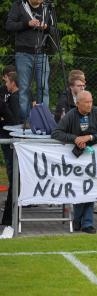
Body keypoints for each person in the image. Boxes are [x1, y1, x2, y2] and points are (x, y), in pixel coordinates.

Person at [51, 91, 97, 234]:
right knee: (79, 189)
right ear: (78, 104)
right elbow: (56, 133)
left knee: (89, 189)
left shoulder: (96, 113)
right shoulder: (70, 115)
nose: (90, 104)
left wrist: (89, 137)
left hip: (92, 159)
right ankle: (77, 221)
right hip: (75, 160)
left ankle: (87, 223)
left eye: (91, 101)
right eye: (86, 102)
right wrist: (75, 139)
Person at [6, 0, 56, 121]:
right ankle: (25, 121)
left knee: (43, 88)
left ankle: (42, 119)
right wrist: (27, 23)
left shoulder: (47, 8)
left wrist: (46, 27)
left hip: (42, 53)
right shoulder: (18, 5)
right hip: (23, 53)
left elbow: (54, 30)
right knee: (24, 88)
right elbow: (9, 25)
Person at [0, 69, 21, 226]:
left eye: (7, 81)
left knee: (14, 178)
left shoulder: (14, 98)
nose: (5, 84)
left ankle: (9, 217)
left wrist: (3, 107)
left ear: (13, 83)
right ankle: (8, 216)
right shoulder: (19, 97)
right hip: (12, 141)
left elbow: (12, 119)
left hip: (12, 142)